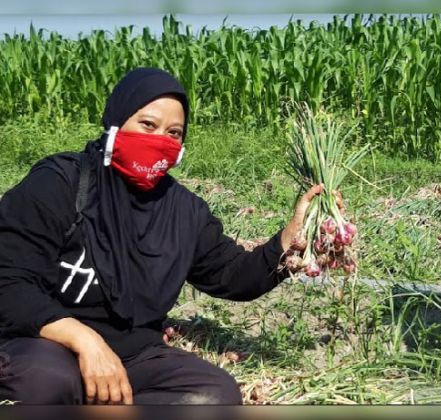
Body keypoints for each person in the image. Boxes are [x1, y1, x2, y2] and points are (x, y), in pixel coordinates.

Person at [0, 68, 324, 405]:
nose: (160, 140)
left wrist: (287, 244)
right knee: (50, 380)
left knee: (216, 395)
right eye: (147, 125)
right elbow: (9, 281)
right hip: (42, 341)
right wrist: (84, 340)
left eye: (174, 133)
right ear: (116, 121)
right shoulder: (61, 184)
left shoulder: (183, 211)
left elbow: (230, 275)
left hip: (132, 353)